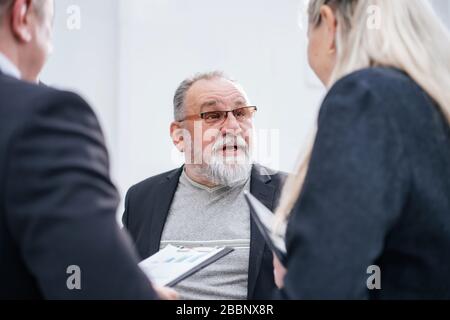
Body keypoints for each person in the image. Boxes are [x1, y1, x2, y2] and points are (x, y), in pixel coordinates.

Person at [273, 0, 450, 299]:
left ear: (330, 25)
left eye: (308, 32)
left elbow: (320, 290)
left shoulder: (365, 97)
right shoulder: (431, 104)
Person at [0, 0, 175, 299]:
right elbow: (100, 286)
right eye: (50, 29)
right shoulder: (43, 116)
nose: (51, 49)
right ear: (22, 17)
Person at [123, 71, 286, 300]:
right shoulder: (141, 198)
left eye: (241, 113)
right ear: (179, 136)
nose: (233, 127)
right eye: (212, 115)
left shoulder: (293, 192)